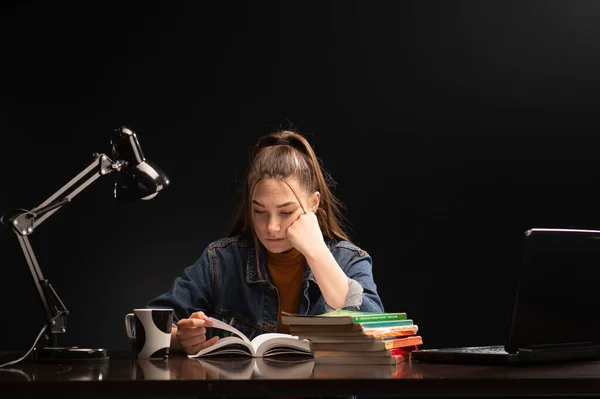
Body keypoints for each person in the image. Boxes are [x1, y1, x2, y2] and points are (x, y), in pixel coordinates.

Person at [146, 129, 385, 355]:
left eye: (286, 212)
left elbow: (380, 338)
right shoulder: (222, 260)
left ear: (313, 203)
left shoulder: (349, 260)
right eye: (259, 211)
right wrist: (180, 339)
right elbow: (144, 327)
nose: (271, 227)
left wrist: (318, 254)